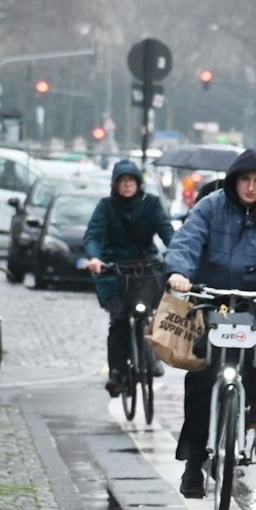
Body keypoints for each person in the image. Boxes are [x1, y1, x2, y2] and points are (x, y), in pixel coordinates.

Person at [163, 150, 256, 498]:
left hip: (255, 297)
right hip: (211, 295)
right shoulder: (210, 206)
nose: (252, 187)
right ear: (234, 180)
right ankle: (194, 463)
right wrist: (180, 272)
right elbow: (188, 239)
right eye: (246, 180)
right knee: (200, 377)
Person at [81, 160, 175, 395]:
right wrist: (95, 258)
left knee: (153, 312)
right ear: (115, 184)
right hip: (114, 270)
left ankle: (150, 353)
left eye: (130, 181)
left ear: (138, 184)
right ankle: (117, 372)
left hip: (145, 268)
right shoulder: (106, 207)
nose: (126, 185)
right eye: (122, 181)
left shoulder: (151, 205)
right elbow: (93, 235)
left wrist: (176, 255)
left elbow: (167, 233)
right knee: (120, 319)